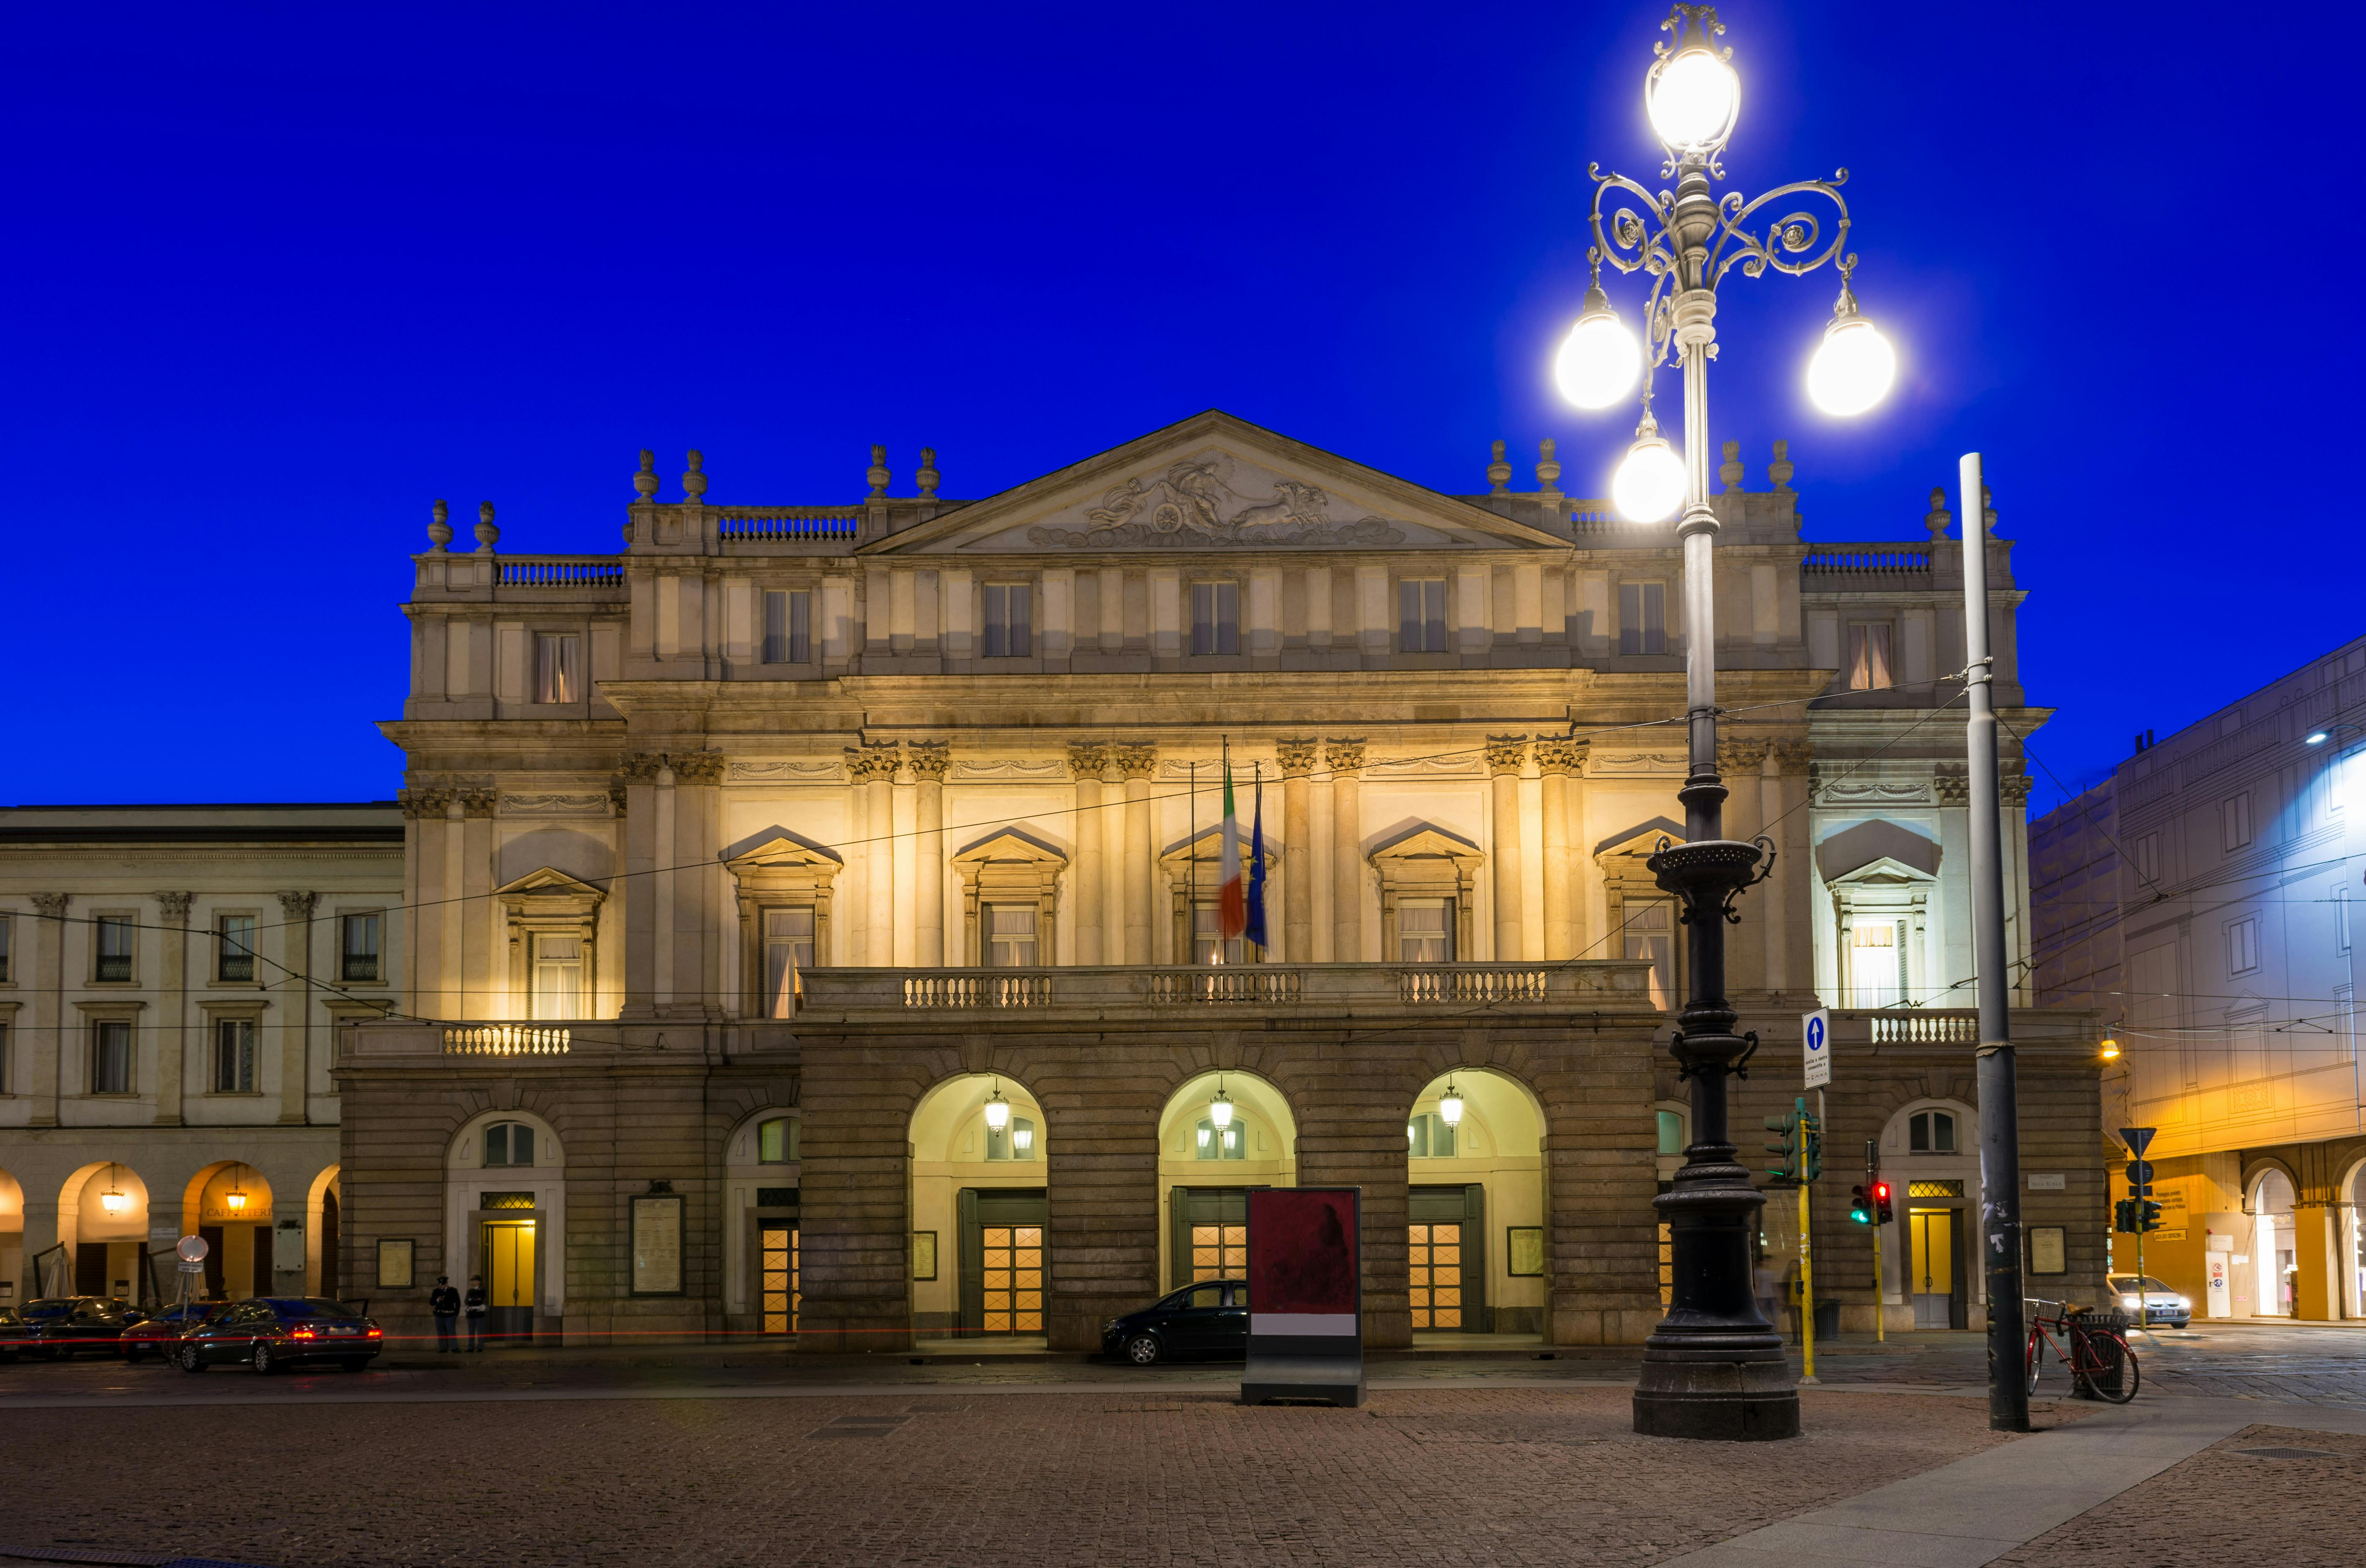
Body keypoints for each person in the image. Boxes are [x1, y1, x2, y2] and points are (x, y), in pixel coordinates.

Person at [428, 1275, 460, 1352]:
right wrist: (438, 1300)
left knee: (451, 1331)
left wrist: (456, 1313)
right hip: (439, 1315)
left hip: (450, 1314)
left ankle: (454, 1348)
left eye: (443, 1284)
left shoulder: (453, 1291)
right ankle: (443, 1348)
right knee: (441, 1332)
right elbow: (432, 1303)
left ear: (447, 1283)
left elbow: (458, 1303)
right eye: (440, 1285)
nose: (442, 1286)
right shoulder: (436, 1291)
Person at [464, 1274, 488, 1352]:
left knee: (480, 1331)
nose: (473, 1282)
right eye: (473, 1281)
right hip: (471, 1313)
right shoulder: (470, 1291)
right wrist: (475, 1299)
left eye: (474, 1281)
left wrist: (472, 1300)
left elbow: (481, 1300)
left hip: (479, 1313)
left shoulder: (482, 1291)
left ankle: (480, 1347)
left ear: (479, 1282)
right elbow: (466, 1301)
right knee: (471, 1332)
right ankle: (471, 1347)